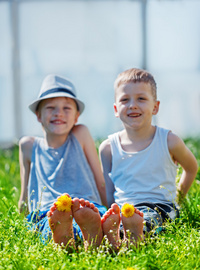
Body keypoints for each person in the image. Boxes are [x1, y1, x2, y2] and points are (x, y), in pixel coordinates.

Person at [99, 68, 198, 251]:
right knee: (105, 218)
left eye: (141, 99)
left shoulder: (169, 141)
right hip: (123, 209)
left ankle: (125, 239)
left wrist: (178, 199)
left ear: (155, 107)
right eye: (124, 100)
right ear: (115, 109)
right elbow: (109, 189)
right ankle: (107, 234)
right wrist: (110, 211)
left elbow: (191, 167)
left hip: (159, 206)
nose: (132, 105)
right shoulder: (108, 147)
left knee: (148, 221)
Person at [18, 74, 108, 250]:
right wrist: (23, 221)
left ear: (76, 117)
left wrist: (111, 206)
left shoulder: (80, 134)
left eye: (66, 108)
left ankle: (85, 234)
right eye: (51, 107)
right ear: (38, 115)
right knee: (49, 224)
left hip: (87, 206)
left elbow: (100, 180)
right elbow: (25, 193)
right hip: (48, 211)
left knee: (92, 217)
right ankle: (68, 236)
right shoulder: (28, 145)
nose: (58, 113)